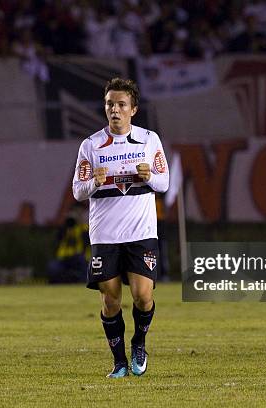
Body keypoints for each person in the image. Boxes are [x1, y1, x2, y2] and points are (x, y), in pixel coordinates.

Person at [72, 78, 169, 377]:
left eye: (121, 104)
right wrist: (93, 183)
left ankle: (139, 342)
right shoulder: (91, 145)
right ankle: (119, 362)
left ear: (133, 109)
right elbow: (77, 190)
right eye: (110, 104)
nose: (114, 109)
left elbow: (164, 183)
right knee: (111, 299)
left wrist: (149, 177)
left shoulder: (149, 140)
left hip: (141, 232)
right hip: (105, 234)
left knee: (143, 296)